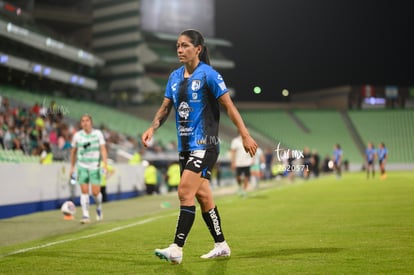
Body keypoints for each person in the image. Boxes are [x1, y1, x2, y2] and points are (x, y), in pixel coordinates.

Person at [141, 29, 258, 264]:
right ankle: (221, 244)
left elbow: (229, 107)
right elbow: (164, 108)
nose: (180, 50)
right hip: (186, 148)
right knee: (203, 196)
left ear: (198, 49)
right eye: (177, 46)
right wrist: (152, 127)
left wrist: (245, 135)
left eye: (185, 46)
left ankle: (177, 248)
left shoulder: (209, 75)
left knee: (185, 191)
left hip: (206, 145)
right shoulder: (174, 77)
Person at [70, 114, 107, 224]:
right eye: (83, 121)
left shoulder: (97, 134)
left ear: (91, 122)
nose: (85, 123)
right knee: (84, 191)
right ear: (81, 123)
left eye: (87, 120)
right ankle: (85, 215)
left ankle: (98, 207)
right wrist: (72, 167)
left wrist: (104, 164)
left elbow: (103, 149)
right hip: (82, 166)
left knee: (95, 192)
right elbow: (73, 152)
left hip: (94, 166)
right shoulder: (77, 136)